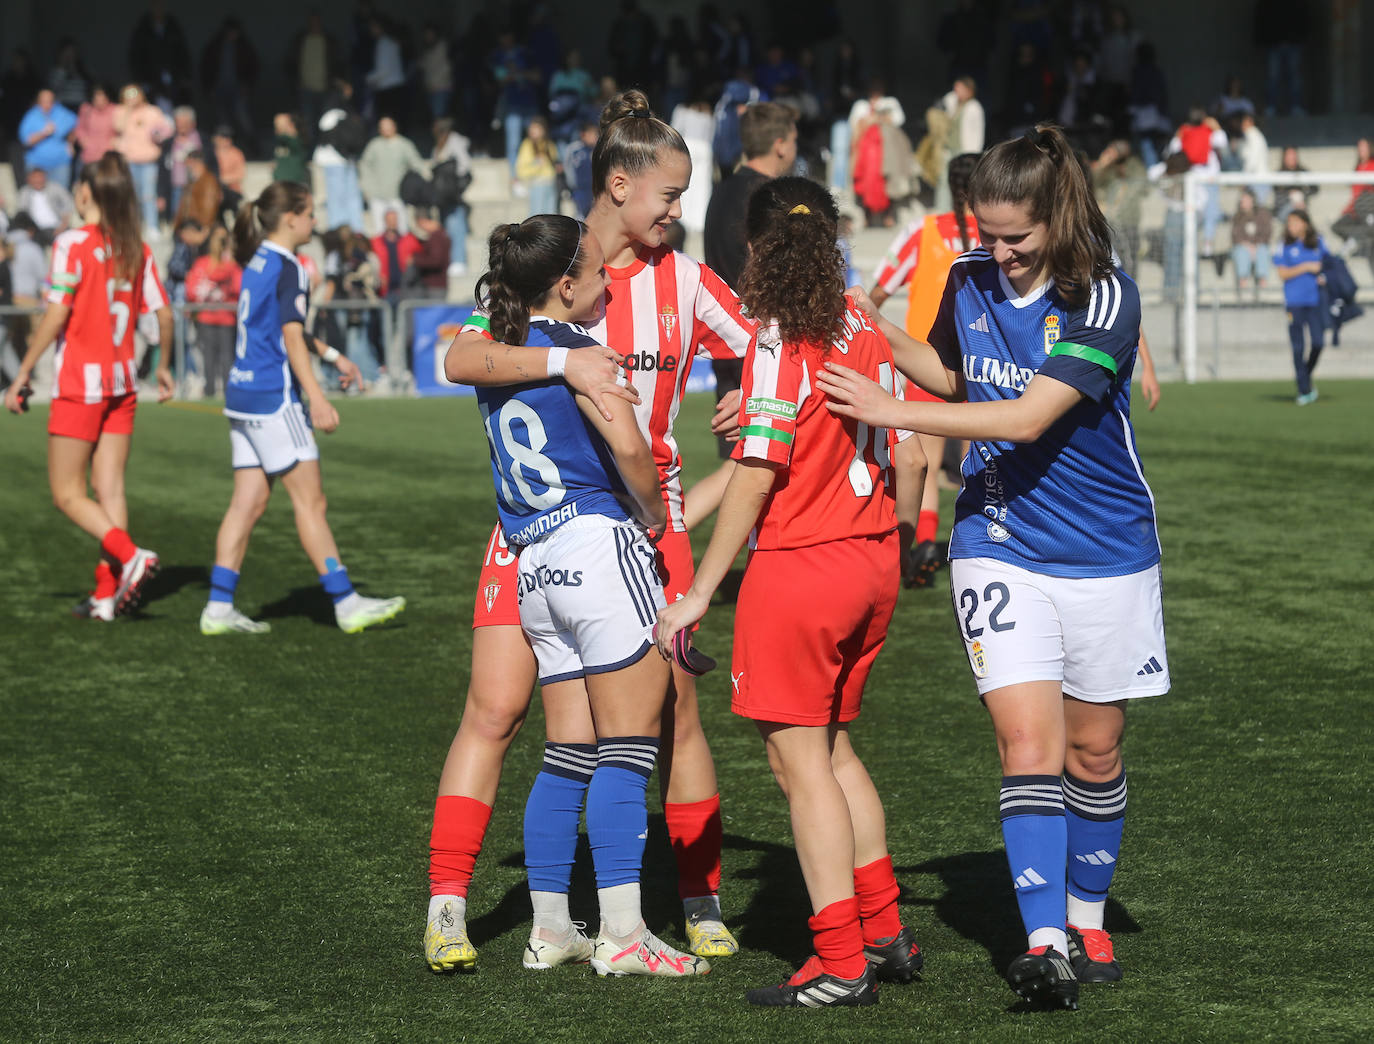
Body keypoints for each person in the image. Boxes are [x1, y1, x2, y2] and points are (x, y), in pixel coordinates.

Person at [818, 124, 1169, 1011]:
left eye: (1017, 236)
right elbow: (947, 372)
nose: (999, 253)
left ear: (1059, 213)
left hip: (1107, 551)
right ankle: (1045, 942)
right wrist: (857, 318)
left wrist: (886, 405)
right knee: (1027, 745)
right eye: (987, 234)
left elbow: (1022, 418)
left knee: (1095, 751)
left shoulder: (1104, 298)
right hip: (997, 541)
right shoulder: (971, 276)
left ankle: (1087, 916)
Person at [426, 89, 754, 972]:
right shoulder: (551, 263)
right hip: (553, 530)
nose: (681, 214)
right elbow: (458, 357)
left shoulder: (681, 279)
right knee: (498, 711)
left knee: (676, 717)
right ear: (618, 186)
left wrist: (743, 388)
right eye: (671, 197)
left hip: (633, 530)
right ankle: (461, 907)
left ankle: (695, 897)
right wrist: (564, 358)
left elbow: (760, 347)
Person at [655, 176, 926, 1008]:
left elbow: (760, 468)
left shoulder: (777, 334)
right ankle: (883, 930)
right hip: (873, 554)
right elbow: (910, 441)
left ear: (755, 247)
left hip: (804, 563)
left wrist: (701, 587)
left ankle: (841, 960)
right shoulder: (856, 314)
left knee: (797, 761)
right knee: (834, 748)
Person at [464, 214, 707, 978]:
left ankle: (551, 929)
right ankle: (626, 934)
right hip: (598, 551)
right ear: (565, 285)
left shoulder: (504, 355)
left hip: (535, 566)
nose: (608, 286)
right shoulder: (579, 351)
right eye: (599, 275)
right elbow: (632, 450)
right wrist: (652, 511)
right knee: (631, 750)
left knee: (568, 754)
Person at [198, 182, 402, 636]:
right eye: (310, 214)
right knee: (311, 502)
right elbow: (290, 336)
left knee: (246, 503)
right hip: (274, 397)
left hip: (241, 393)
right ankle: (347, 603)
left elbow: (279, 328)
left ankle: (217, 607)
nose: (315, 222)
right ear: (290, 218)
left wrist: (332, 356)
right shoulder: (291, 266)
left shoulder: (258, 261)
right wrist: (317, 396)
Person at [3, 152, 174, 620]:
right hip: (122, 382)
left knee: (67, 494)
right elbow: (162, 312)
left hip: (81, 383)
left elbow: (57, 312)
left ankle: (131, 555)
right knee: (110, 489)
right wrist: (164, 366)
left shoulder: (72, 242)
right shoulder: (134, 246)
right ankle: (106, 594)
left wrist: (21, 372)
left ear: (86, 193)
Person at [870, 152, 983, 588]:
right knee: (981, 464)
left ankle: (923, 548)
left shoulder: (925, 231)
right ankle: (976, 547)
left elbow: (881, 287)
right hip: (983, 360)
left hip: (930, 361)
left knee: (928, 466)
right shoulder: (1000, 234)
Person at [704, 102, 797, 461]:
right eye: (794, 138)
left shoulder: (721, 191)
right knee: (766, 474)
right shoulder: (772, 199)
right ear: (780, 144)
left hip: (728, 345)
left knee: (737, 472)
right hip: (768, 351)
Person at [1273, 209, 1328, 406]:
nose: (1290, 226)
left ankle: (1303, 377)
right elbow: (1282, 274)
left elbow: (1328, 264)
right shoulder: (1284, 245)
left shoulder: (1318, 242)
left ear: (1304, 223)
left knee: (1319, 342)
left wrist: (1324, 277)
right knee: (1298, 347)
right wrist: (1306, 267)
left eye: (1294, 222)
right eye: (1288, 223)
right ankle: (1303, 390)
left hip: (1315, 302)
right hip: (1294, 303)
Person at [186, 223, 241, 397]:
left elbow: (191, 289)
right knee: (220, 357)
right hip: (215, 318)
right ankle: (220, 391)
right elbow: (192, 290)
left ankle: (216, 391)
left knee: (217, 357)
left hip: (218, 318)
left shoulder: (216, 265)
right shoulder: (226, 266)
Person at [112, 85, 171, 238]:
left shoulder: (153, 111)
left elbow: (167, 128)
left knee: (148, 194)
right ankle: (135, 225)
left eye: (134, 95)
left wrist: (158, 136)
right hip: (129, 160)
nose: (132, 98)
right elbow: (118, 127)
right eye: (128, 95)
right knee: (131, 195)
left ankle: (152, 225)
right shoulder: (120, 111)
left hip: (148, 160)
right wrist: (128, 111)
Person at [358, 116, 425, 234]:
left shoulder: (404, 144)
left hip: (397, 195)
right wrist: (367, 188)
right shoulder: (374, 145)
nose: (386, 129)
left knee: (402, 230)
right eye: (383, 127)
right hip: (377, 195)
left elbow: (417, 164)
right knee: (380, 231)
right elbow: (364, 166)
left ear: (394, 127)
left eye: (388, 126)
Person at [431, 118, 472, 277]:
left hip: (453, 195)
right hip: (442, 196)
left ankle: (459, 260)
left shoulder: (455, 141)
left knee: (457, 226)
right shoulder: (438, 144)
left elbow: (464, 165)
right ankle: (450, 260)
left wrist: (454, 183)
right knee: (447, 228)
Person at [19, 89, 78, 189]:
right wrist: (44, 133)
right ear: (38, 101)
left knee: (60, 195)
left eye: (49, 101)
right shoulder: (31, 116)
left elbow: (76, 125)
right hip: (37, 164)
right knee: (37, 196)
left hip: (60, 163)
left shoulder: (61, 112)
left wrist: (70, 143)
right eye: (44, 101)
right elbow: (27, 141)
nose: (47, 104)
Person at [514, 116, 560, 217]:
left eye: (537, 129)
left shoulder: (548, 144)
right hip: (537, 184)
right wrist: (537, 165)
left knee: (551, 217)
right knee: (537, 217)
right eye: (532, 129)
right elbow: (521, 170)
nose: (533, 131)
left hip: (551, 184)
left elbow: (554, 160)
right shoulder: (527, 145)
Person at [1231, 188, 1273, 297]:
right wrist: (1247, 245)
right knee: (1242, 252)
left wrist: (1257, 244)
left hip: (1259, 245)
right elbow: (1236, 236)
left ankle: (1262, 281)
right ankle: (1243, 281)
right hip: (1243, 246)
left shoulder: (1262, 214)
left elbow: (1267, 232)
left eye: (1246, 200)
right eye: (1242, 200)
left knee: (1263, 251)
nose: (1244, 202)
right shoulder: (1238, 216)